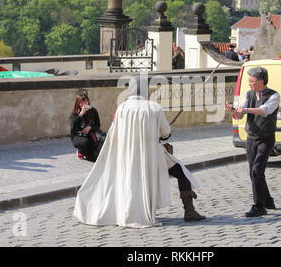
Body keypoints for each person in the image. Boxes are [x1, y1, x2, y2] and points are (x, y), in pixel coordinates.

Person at [73, 75, 205, 228]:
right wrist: (165, 132)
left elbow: (114, 132)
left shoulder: (122, 108)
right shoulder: (154, 107)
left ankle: (131, 211)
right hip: (152, 155)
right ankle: (189, 211)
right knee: (181, 172)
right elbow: (165, 133)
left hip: (128, 156)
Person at [225, 67, 280, 217]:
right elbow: (240, 115)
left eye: (251, 81)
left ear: (261, 81)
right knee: (254, 172)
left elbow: (264, 110)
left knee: (257, 170)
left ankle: (259, 206)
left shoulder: (274, 96)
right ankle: (268, 200)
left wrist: (245, 110)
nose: (249, 83)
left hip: (266, 139)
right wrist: (235, 111)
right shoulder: (248, 94)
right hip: (251, 138)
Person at [70, 93, 104, 162]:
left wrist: (90, 127)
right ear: (77, 104)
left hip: (90, 134)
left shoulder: (93, 111)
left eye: (85, 101)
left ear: (88, 101)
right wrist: (81, 114)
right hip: (78, 136)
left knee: (93, 157)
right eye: (81, 102)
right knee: (84, 142)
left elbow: (98, 124)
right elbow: (73, 128)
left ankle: (86, 151)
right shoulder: (74, 113)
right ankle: (80, 150)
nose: (84, 104)